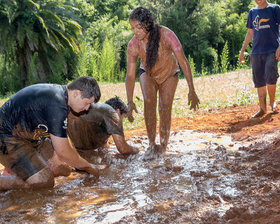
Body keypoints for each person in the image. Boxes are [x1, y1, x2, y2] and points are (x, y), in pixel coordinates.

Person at [0, 76, 101, 191]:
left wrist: (78, 164)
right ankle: (10, 178)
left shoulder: (63, 99)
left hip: (27, 137)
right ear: (76, 93)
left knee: (64, 168)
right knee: (43, 181)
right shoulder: (57, 104)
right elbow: (62, 151)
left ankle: (19, 172)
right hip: (6, 136)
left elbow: (64, 138)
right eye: (87, 103)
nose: (87, 108)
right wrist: (88, 166)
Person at [125, 7, 200, 154]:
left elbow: (183, 62)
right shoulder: (133, 45)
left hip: (169, 74)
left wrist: (192, 89)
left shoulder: (167, 35)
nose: (135, 31)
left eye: (139, 27)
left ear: (147, 23)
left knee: (165, 106)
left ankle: (164, 145)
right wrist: (130, 100)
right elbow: (130, 75)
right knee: (148, 100)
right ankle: (152, 144)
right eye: (133, 28)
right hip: (148, 73)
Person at [239, 0, 280, 118]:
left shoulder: (275, 9)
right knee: (259, 80)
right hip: (256, 52)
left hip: (271, 50)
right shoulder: (252, 12)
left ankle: (272, 103)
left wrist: (279, 47)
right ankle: (262, 109)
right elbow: (250, 33)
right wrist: (242, 51)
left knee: (270, 75)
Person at [67, 96, 139, 155]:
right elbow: (123, 149)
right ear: (118, 111)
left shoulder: (99, 115)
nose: (121, 122)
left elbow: (103, 146)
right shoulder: (112, 114)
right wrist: (137, 150)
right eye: (122, 118)